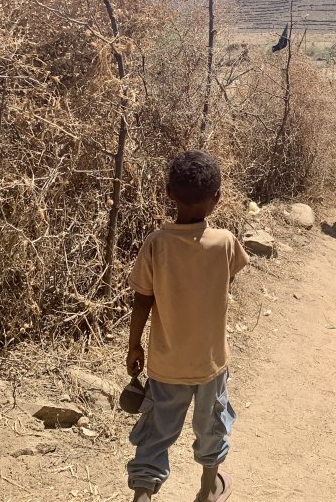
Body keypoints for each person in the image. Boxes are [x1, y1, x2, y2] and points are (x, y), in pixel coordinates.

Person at [125, 150, 249, 502]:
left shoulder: (156, 244)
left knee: (156, 433)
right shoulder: (224, 242)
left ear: (169, 193)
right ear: (217, 198)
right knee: (212, 426)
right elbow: (228, 283)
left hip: (166, 365)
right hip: (210, 363)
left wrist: (135, 346)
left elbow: (142, 300)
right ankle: (208, 491)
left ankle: (143, 495)